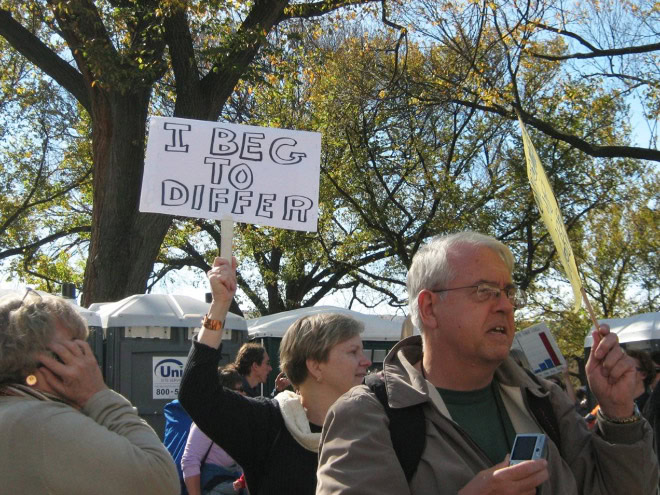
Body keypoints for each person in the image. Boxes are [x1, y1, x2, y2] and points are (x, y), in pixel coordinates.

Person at [316, 231, 658, 495]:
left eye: (508, 292)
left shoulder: (544, 402)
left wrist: (618, 414)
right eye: (484, 291)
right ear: (429, 308)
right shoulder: (367, 415)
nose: (505, 306)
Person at [179, 256, 372, 495]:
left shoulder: (372, 425)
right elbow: (197, 393)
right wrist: (220, 305)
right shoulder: (267, 424)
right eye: (353, 352)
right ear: (316, 366)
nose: (367, 361)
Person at [0, 290, 179, 495]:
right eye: (76, 346)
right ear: (48, 360)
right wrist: (97, 394)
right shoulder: (42, 423)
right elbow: (160, 481)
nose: (88, 358)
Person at [182, 364, 245, 495]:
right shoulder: (206, 421)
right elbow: (189, 460)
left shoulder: (238, 419)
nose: (244, 394)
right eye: (240, 389)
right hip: (214, 486)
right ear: (226, 393)